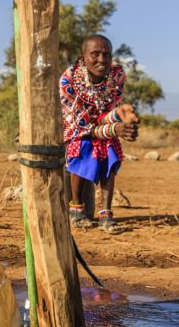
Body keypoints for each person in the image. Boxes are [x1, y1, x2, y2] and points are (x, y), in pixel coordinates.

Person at [59, 35, 139, 234]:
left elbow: (105, 114)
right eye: (95, 54)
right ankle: (76, 209)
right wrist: (114, 128)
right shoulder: (69, 80)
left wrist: (121, 115)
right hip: (74, 130)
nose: (101, 60)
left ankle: (106, 214)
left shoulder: (116, 77)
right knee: (82, 148)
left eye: (106, 55)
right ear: (83, 57)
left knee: (110, 152)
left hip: (97, 127)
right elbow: (80, 125)